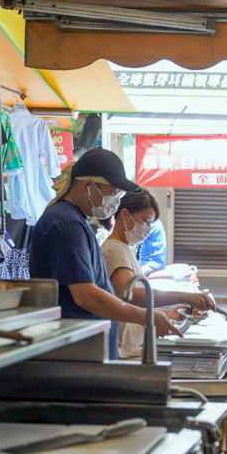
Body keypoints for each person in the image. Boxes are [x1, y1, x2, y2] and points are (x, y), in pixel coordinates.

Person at [29, 149, 184, 360]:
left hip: (87, 348)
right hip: (75, 353)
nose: (116, 200)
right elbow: (87, 296)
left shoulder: (76, 220)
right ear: (89, 186)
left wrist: (159, 315)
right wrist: (146, 316)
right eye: (113, 193)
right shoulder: (67, 224)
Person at [101, 190, 214, 359]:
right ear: (124, 214)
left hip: (131, 348)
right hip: (123, 351)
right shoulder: (116, 250)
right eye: (145, 220)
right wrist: (185, 296)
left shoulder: (125, 248)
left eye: (150, 223)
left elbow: (126, 302)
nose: (147, 228)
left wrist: (164, 313)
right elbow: (131, 296)